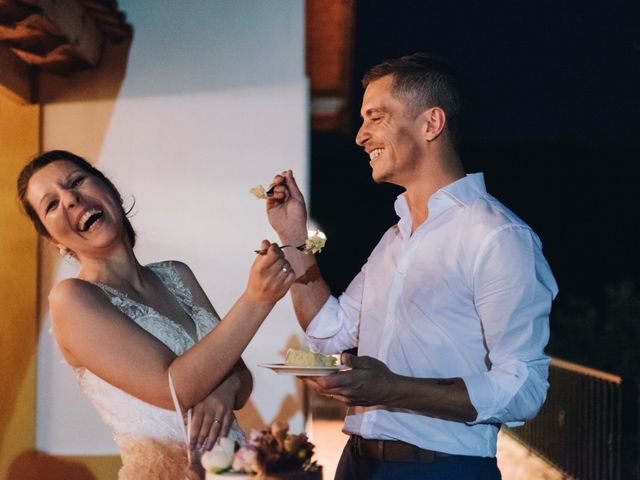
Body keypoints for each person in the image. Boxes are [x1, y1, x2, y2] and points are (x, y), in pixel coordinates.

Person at [265, 53, 558, 479]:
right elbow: (330, 333)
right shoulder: (394, 240)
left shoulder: (498, 236)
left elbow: (524, 387)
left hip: (444, 468)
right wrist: (293, 238)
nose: (360, 136)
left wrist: (392, 389)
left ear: (431, 124)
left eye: (376, 117)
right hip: (357, 463)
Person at [17, 150, 296, 480]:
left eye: (77, 181)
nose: (71, 199)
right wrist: (256, 301)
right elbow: (174, 390)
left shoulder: (176, 274)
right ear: (51, 238)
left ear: (111, 191)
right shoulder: (72, 298)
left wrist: (222, 391)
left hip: (236, 470)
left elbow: (242, 380)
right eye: (51, 204)